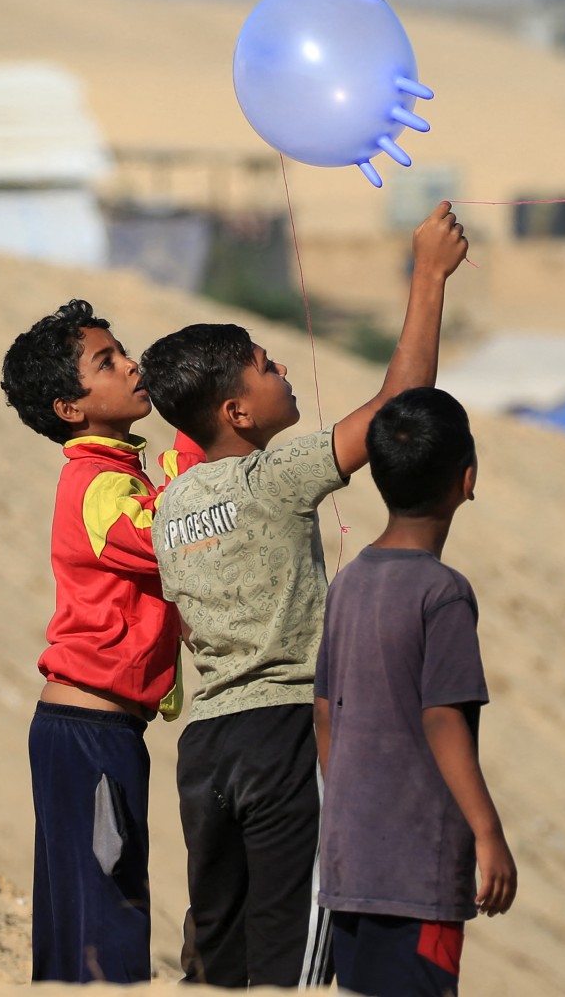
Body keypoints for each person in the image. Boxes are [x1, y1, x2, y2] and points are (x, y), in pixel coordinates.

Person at [141, 202, 469, 987]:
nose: (282, 368)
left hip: (205, 751)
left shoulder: (170, 506)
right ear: (237, 413)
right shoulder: (272, 478)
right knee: (293, 954)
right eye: (263, 364)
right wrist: (428, 277)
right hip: (286, 733)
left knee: (220, 947)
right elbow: (397, 411)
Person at [0, 299, 190, 983]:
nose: (132, 365)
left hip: (94, 730)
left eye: (122, 352)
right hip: (90, 730)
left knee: (83, 914)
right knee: (105, 916)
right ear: (70, 408)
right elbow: (165, 536)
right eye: (106, 362)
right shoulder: (98, 483)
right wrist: (197, 450)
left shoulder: (120, 475)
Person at [313, 387, 515, 997]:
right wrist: (488, 832)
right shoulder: (443, 593)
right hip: (417, 869)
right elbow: (443, 719)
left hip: (349, 862)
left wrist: (348, 803)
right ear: (468, 478)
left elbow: (324, 710)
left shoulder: (349, 582)